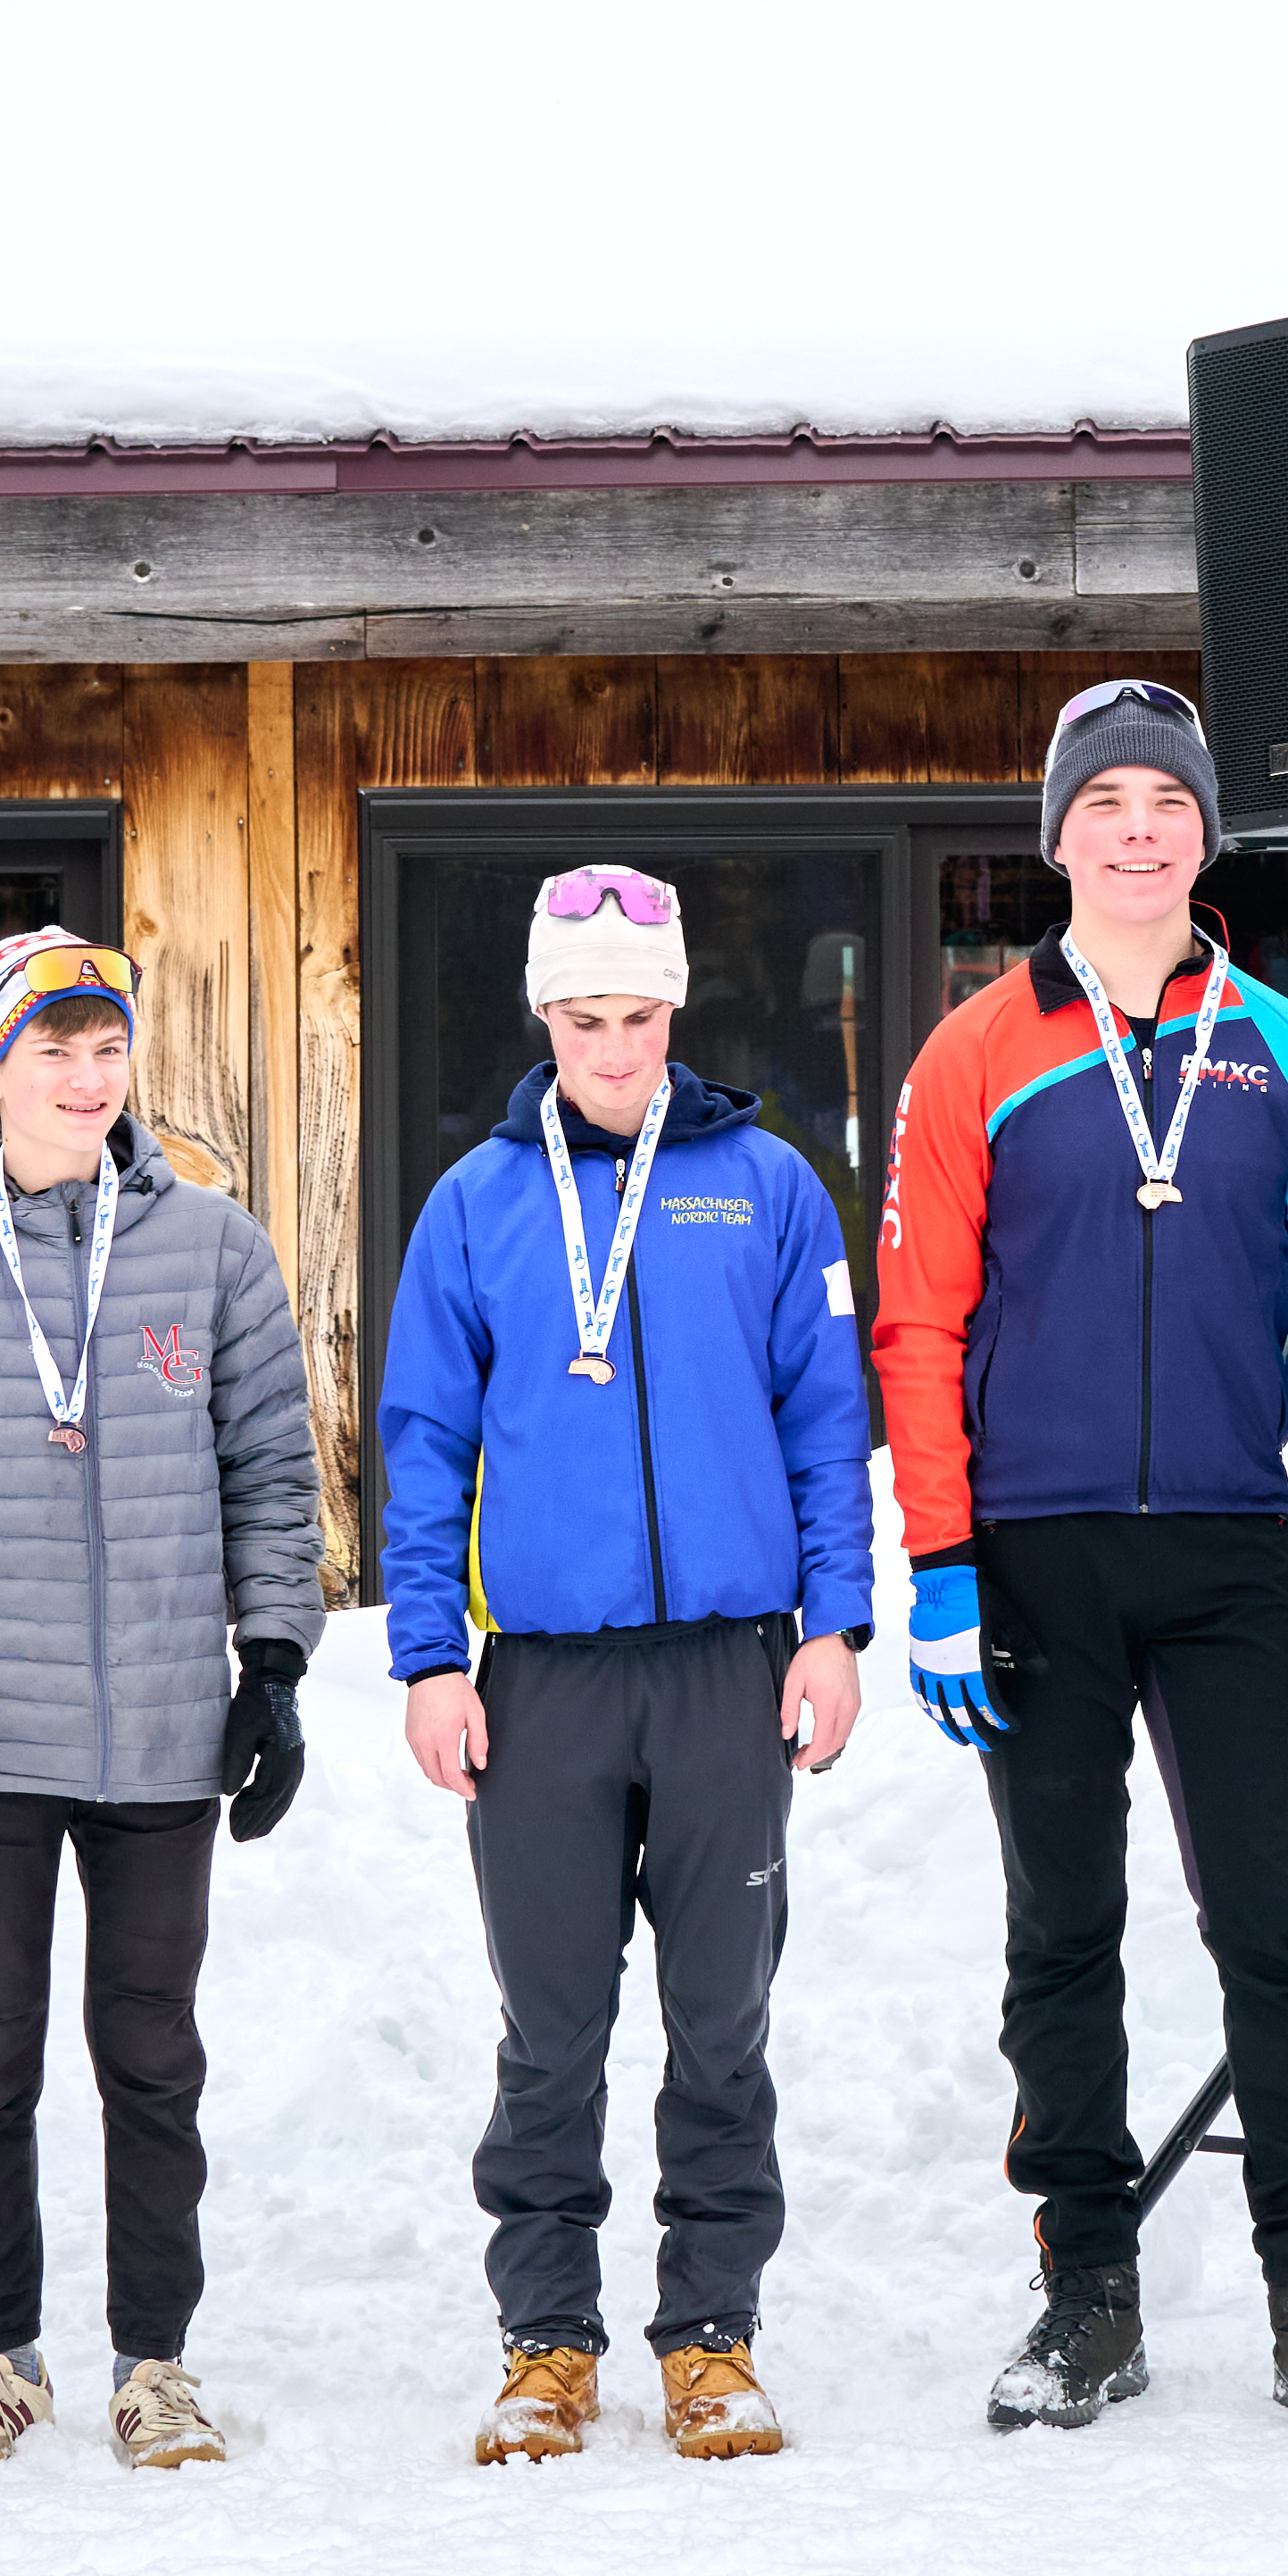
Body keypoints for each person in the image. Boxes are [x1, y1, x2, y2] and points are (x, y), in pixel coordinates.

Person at [876, 680, 1288, 2447]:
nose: (1132, 830)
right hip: (1030, 1559)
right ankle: (1085, 2291)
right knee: (1061, 1933)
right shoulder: (971, 1053)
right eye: (1099, 802)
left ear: (1202, 832)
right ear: (1056, 836)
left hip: (1222, 1549)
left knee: (1273, 1928)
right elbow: (921, 1319)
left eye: (1160, 803)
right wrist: (938, 1565)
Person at [379, 866, 873, 2468]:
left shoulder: (768, 1183)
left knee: (721, 2019)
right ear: (545, 1016)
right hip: (546, 1679)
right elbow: (425, 1444)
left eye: (638, 1015)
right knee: (552, 2028)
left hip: (729, 1665)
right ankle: (544, 2339)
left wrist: (831, 1624)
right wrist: (428, 1657)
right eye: (584, 1018)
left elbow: (822, 1418)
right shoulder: (477, 1203)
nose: (612, 1046)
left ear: (677, 1013)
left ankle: (710, 2333)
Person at [0, 930, 324, 2480]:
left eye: (106, 1046)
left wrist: (277, 1662)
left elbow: (268, 1466)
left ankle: (154, 2363)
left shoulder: (214, 1245)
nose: (85, 1076)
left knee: (153, 2056)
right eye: (51, 1047)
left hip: (166, 1724)